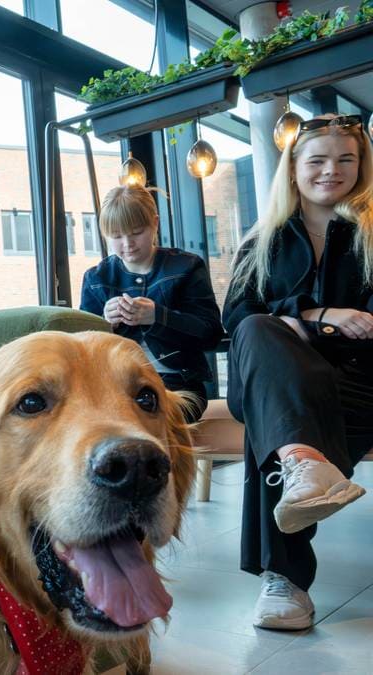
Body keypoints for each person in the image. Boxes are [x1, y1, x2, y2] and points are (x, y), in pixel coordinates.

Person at [223, 114, 373, 630]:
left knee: (278, 419)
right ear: (293, 169)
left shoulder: (371, 234)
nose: (332, 170)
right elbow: (238, 318)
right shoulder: (261, 241)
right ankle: (304, 464)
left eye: (346, 159)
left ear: (362, 166)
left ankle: (284, 578)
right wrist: (320, 315)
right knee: (260, 337)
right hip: (279, 378)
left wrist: (295, 324)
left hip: (358, 383)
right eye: (318, 160)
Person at [80, 185, 223, 422]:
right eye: (116, 236)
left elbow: (210, 335)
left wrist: (158, 316)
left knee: (142, 418)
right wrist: (105, 324)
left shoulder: (187, 267)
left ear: (154, 223)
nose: (128, 243)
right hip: (115, 384)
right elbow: (82, 349)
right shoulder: (96, 279)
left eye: (136, 232)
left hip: (179, 383)